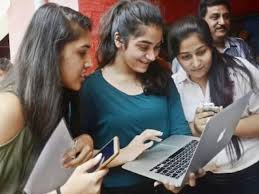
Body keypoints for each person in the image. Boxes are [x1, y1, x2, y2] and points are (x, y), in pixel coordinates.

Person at [73, 1, 204, 194]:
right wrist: (123, 154)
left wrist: (184, 168)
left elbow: (179, 129)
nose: (152, 56)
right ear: (119, 40)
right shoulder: (91, 88)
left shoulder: (162, 76)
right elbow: (82, 154)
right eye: (143, 47)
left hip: (164, 183)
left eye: (157, 47)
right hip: (118, 189)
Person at [0, 3, 108, 194]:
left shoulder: (56, 93)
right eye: (82, 52)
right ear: (52, 51)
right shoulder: (9, 108)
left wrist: (84, 141)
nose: (89, 63)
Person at [168, 16, 259, 194]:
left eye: (202, 52)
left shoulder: (240, 71)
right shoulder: (174, 86)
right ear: (177, 58)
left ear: (211, 46)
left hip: (249, 169)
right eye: (186, 57)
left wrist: (224, 125)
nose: (196, 63)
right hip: (203, 177)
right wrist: (195, 127)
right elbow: (176, 134)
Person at [171, 0, 258, 73]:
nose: (222, 22)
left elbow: (255, 77)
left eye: (226, 16)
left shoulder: (240, 46)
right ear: (202, 21)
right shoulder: (185, 56)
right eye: (215, 17)